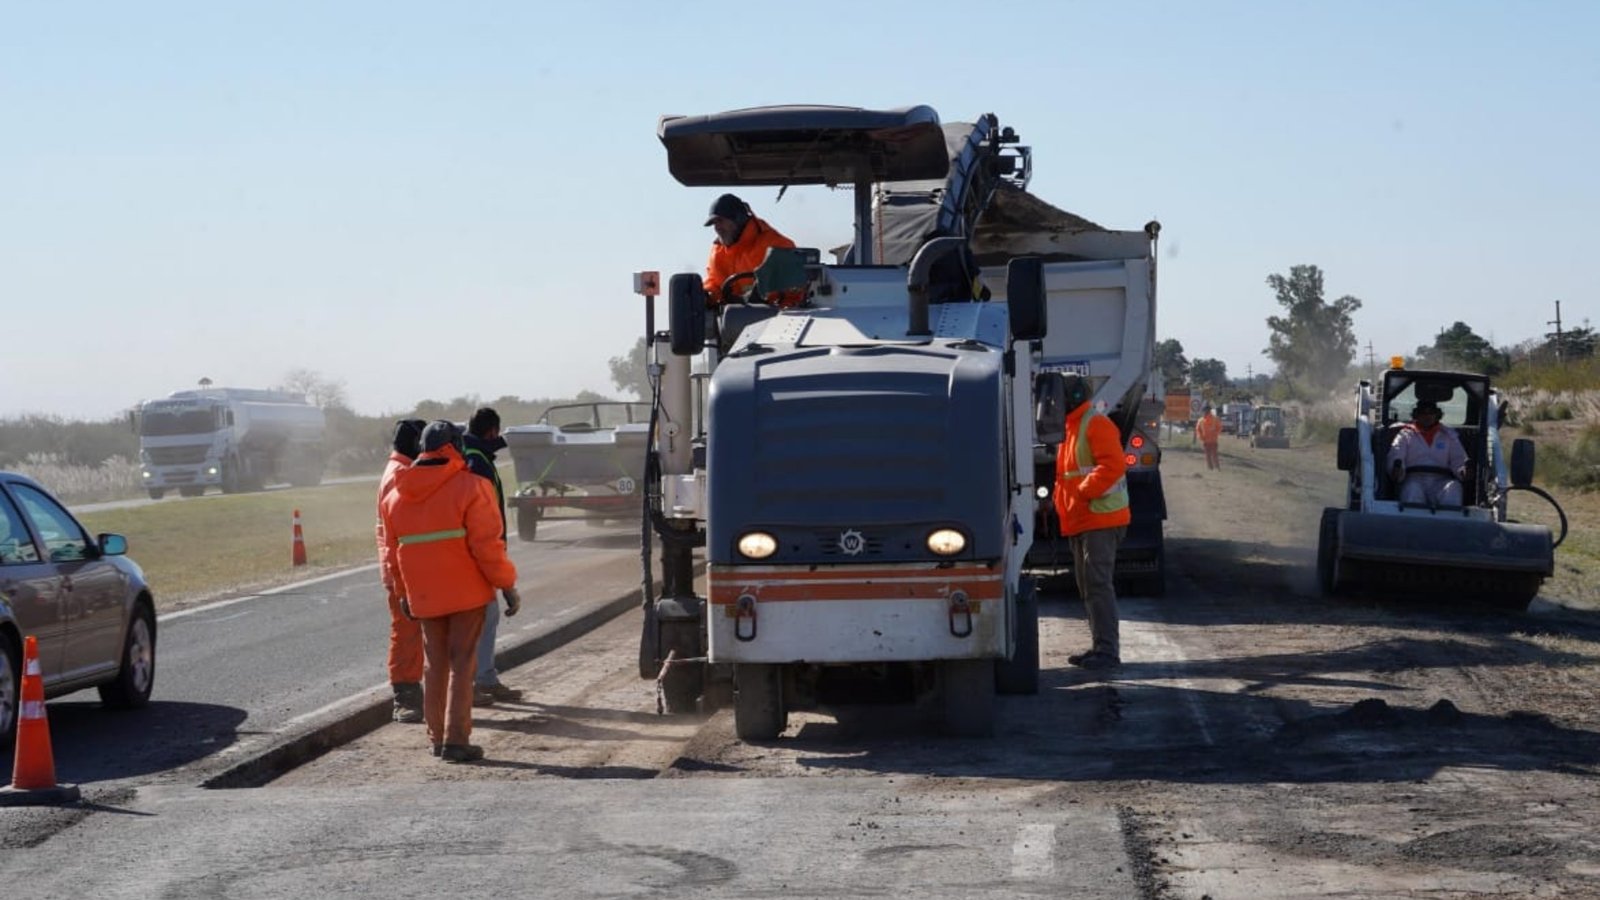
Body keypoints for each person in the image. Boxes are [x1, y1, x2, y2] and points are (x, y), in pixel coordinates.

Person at [380, 420, 521, 763]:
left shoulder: (396, 495)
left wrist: (402, 593)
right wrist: (507, 585)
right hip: (467, 594)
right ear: (454, 447)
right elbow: (488, 546)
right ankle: (457, 740)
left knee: (435, 665)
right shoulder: (473, 487)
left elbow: (392, 553)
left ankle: (437, 740)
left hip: (424, 596)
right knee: (462, 664)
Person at [1053, 372, 1131, 670]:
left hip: (1100, 517)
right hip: (1084, 519)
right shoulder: (1071, 427)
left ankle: (1108, 652)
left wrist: (1083, 493)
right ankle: (1100, 647)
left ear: (1070, 397)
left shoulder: (1094, 423)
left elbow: (1112, 465)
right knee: (1089, 587)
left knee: (1098, 585)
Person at [462, 407, 522, 707]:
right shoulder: (477, 463)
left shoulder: (474, 454)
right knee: (484, 617)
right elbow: (484, 519)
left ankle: (482, 679)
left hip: (473, 550)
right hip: (477, 552)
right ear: (492, 432)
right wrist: (504, 578)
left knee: (486, 616)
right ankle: (479, 681)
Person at [376, 418, 428, 724]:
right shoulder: (399, 475)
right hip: (401, 569)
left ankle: (414, 694)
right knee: (406, 633)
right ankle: (405, 696)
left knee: (409, 632)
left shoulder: (398, 469)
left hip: (402, 567)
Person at [702, 192, 797, 306]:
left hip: (778, 317)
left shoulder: (775, 246)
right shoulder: (718, 252)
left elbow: (795, 290)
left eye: (720, 221)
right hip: (733, 319)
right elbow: (715, 284)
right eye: (714, 223)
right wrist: (707, 295)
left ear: (739, 219)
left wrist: (765, 297)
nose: (717, 228)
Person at [1388, 399, 1470, 507]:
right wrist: (1397, 470)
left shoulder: (1449, 436)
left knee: (1453, 487)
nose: (1427, 416)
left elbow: (1458, 460)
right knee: (1412, 490)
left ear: (1437, 415)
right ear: (1416, 415)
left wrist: (1463, 471)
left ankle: (1450, 522)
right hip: (1413, 479)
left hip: (1441, 480)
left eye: (1431, 413)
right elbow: (1396, 455)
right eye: (1423, 413)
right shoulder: (1405, 435)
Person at [1195, 406, 1222, 470]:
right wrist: (1200, 437)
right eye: (1204, 411)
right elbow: (1198, 429)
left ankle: (1217, 468)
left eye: (1206, 411)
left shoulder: (1215, 419)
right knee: (1208, 455)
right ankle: (1210, 468)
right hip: (1205, 441)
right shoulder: (1201, 420)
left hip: (1213, 440)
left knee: (1214, 455)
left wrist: (1215, 434)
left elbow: (1219, 427)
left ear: (1209, 411)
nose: (1205, 412)